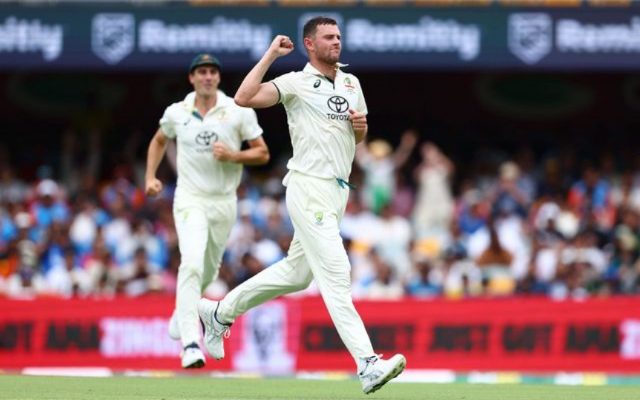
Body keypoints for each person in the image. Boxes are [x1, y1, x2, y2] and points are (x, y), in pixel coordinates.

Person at [197, 17, 406, 394]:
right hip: (309, 187)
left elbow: (359, 137)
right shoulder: (295, 81)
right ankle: (368, 364)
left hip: (338, 192)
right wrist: (270, 56)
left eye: (339, 37)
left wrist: (360, 130)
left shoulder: (350, 82)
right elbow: (244, 98)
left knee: (298, 275)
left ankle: (219, 312)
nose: (336, 42)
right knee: (336, 274)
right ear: (309, 43)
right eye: (328, 37)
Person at [145, 53, 269, 369]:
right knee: (191, 263)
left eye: (213, 72)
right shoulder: (177, 112)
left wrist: (232, 156)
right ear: (192, 78)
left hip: (224, 201)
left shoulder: (236, 111)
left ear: (218, 78)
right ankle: (190, 343)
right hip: (190, 198)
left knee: (209, 270)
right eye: (202, 72)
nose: (207, 77)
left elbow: (262, 153)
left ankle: (181, 310)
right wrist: (150, 176)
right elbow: (159, 141)